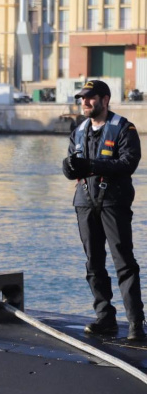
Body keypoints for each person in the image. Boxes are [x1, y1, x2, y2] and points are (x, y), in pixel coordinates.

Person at [62, 79, 144, 341]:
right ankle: (105, 317)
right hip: (85, 202)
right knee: (93, 263)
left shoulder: (123, 128)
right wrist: (70, 167)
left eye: (91, 97)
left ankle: (135, 324)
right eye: (83, 98)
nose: (85, 102)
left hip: (113, 201)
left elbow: (128, 163)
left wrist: (93, 166)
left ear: (105, 99)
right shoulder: (79, 130)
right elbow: (72, 167)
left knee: (124, 263)